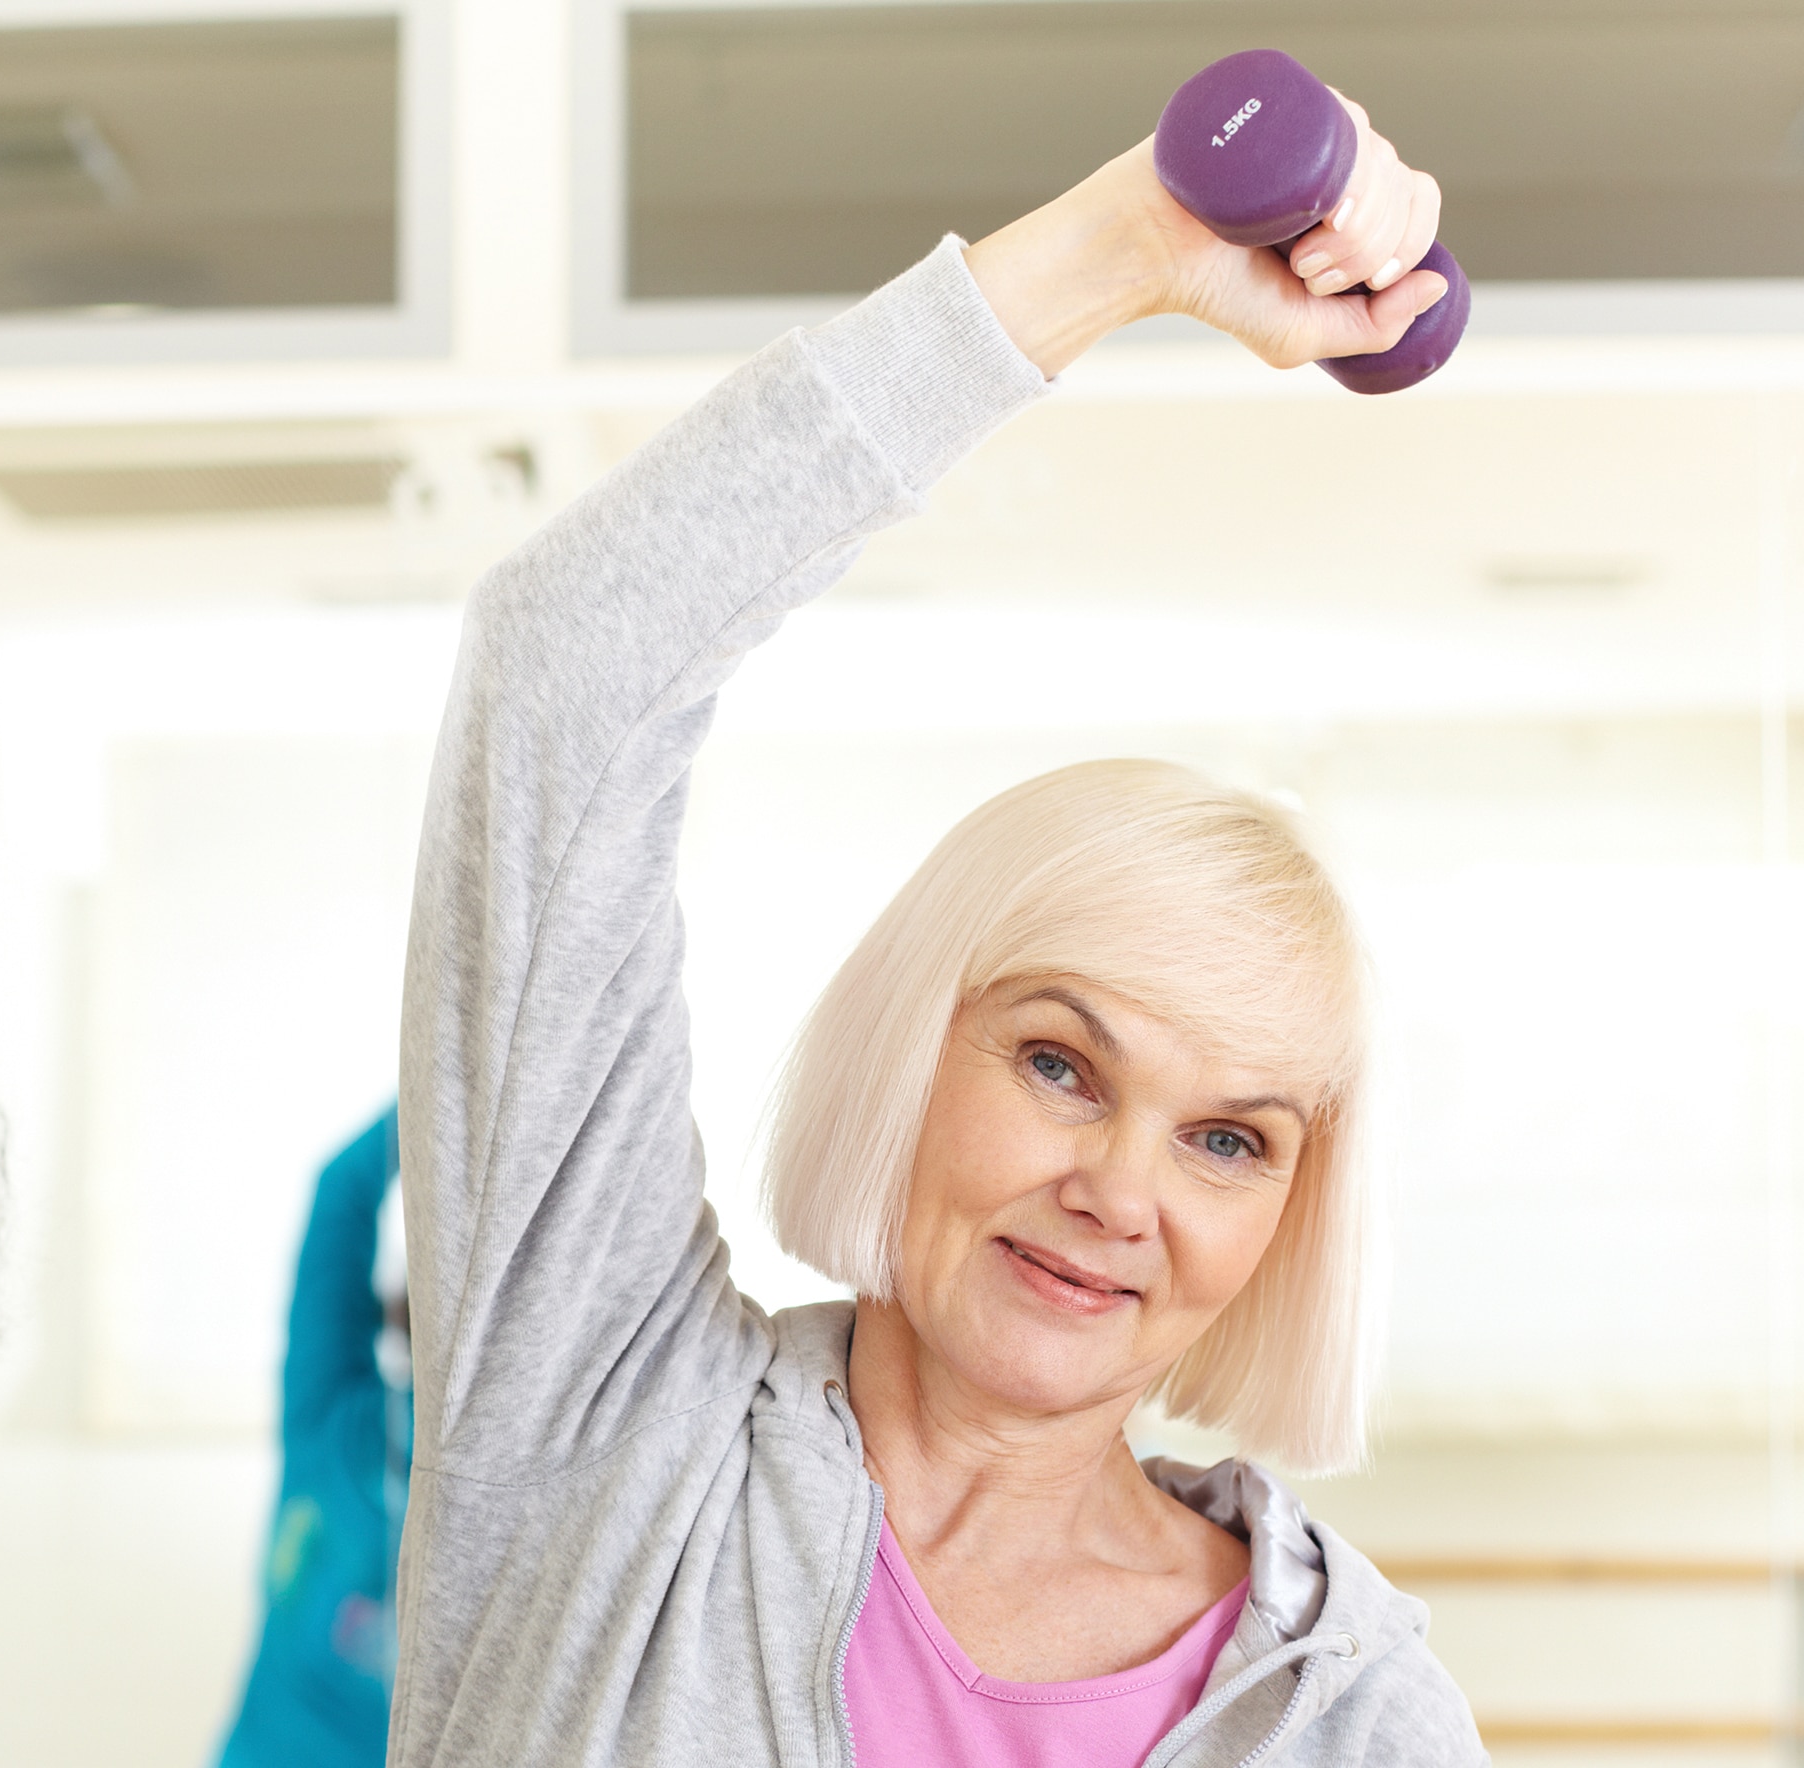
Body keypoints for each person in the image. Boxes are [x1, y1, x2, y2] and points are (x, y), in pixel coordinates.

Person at [391, 106, 1486, 1767]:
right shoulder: (609, 1416)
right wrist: (1123, 246)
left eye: (1225, 1138)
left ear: (1288, 1209)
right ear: (919, 1044)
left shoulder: (1347, 1710)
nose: (1118, 1193)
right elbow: (562, 674)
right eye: (1059, 1061)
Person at [216, 1106, 412, 1768]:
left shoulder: (328, 1417)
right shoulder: (333, 1415)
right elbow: (343, 1190)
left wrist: (466, 1072)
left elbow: (343, 1187)